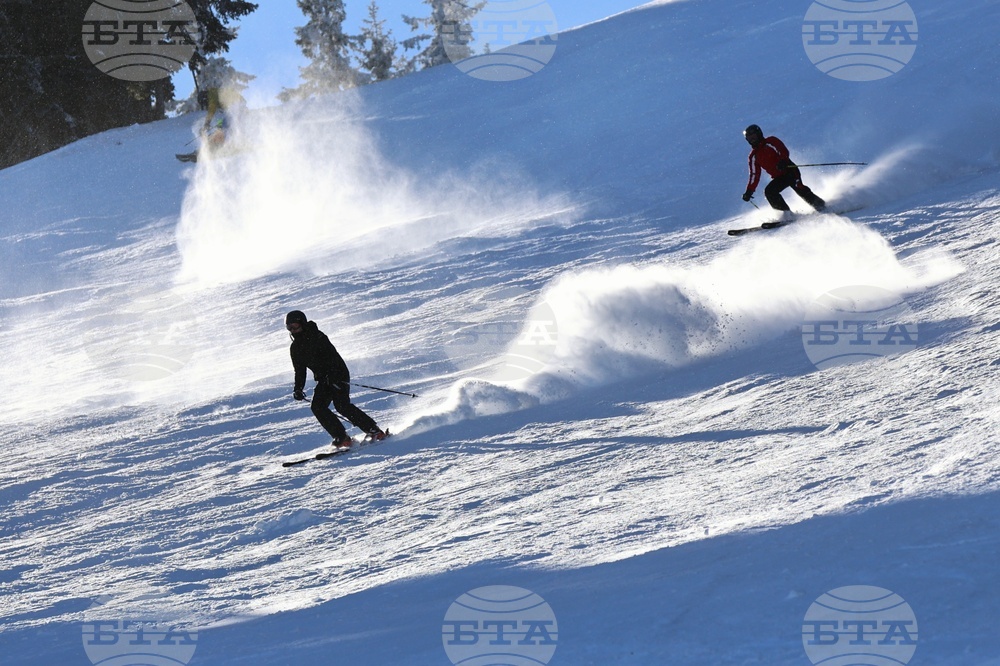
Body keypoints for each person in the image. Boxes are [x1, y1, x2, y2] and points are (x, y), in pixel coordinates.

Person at [286, 310, 388, 448]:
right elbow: (300, 371)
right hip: (323, 379)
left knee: (342, 405)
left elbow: (332, 357)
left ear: (302, 324)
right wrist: (298, 388)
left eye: (295, 326)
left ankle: (374, 431)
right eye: (289, 328)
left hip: (338, 374)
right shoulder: (295, 348)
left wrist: (333, 376)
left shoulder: (318, 336)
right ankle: (342, 437)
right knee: (317, 407)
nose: (293, 331)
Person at [741, 124, 826, 213]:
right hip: (779, 177)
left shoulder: (770, 141)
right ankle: (785, 214)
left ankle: (821, 206)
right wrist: (749, 191)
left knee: (799, 189)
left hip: (790, 171)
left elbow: (783, 150)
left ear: (759, 134)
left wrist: (783, 161)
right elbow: (754, 175)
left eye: (753, 136)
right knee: (769, 191)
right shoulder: (753, 156)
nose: (752, 140)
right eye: (749, 138)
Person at [176, 85, 246, 163]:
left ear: (205, 98)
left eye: (205, 103)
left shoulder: (212, 94)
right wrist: (219, 124)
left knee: (225, 129)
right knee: (226, 127)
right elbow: (225, 115)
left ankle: (222, 147)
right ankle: (229, 144)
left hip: (236, 104)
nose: (206, 105)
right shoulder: (215, 93)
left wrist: (207, 123)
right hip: (239, 104)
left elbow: (212, 109)